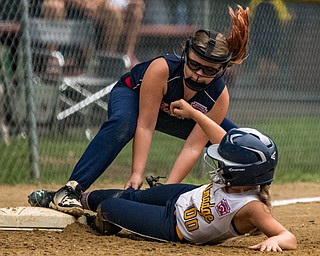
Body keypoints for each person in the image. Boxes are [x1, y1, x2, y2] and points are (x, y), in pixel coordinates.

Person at [46, 5, 250, 217]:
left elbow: (193, 146)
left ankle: (245, 205)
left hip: (182, 114)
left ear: (221, 70)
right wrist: (136, 174)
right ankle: (71, 189)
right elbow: (145, 125)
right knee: (124, 123)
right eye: (194, 65)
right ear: (185, 55)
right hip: (133, 96)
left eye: (208, 70)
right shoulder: (162, 69)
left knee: (237, 144)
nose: (198, 75)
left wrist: (165, 192)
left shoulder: (219, 95)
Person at [78, 105, 297, 251]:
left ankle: (101, 218)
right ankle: (76, 198)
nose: (220, 164)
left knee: (109, 207)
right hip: (183, 194)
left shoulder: (253, 207)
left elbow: (288, 237)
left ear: (243, 171)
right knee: (131, 196)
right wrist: (192, 112)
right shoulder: (242, 178)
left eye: (226, 163)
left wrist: (275, 240)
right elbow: (216, 132)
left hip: (174, 226)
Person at [41, 0, 145, 63]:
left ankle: (110, 63)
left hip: (96, 6)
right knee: (53, 6)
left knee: (124, 11)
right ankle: (52, 59)